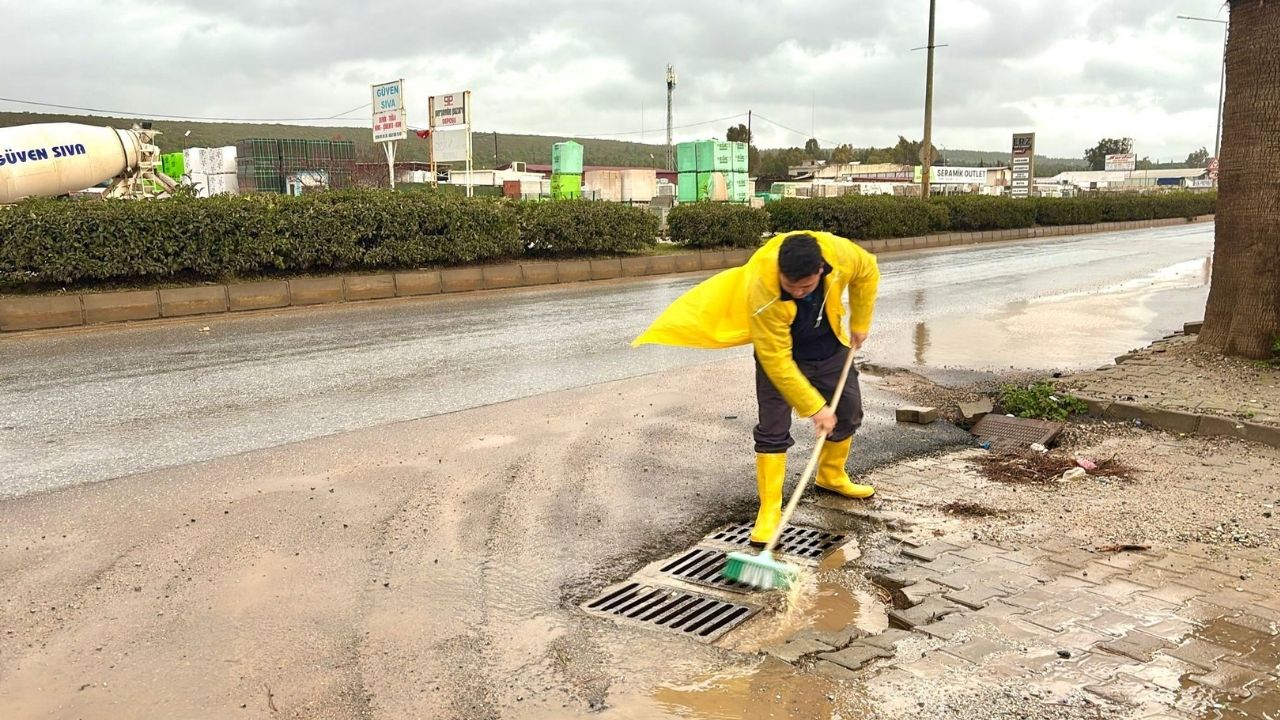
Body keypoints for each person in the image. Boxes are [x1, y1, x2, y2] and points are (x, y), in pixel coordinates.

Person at [633, 230, 880, 545]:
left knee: (848, 412)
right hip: (781, 354)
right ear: (780, 271)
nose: (799, 293)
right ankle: (770, 511)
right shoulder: (762, 287)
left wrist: (860, 322)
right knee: (773, 428)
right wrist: (814, 408)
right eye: (791, 286)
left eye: (806, 286)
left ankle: (831, 476)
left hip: (829, 346)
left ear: (821, 270)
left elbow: (868, 271)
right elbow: (776, 359)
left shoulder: (840, 254)